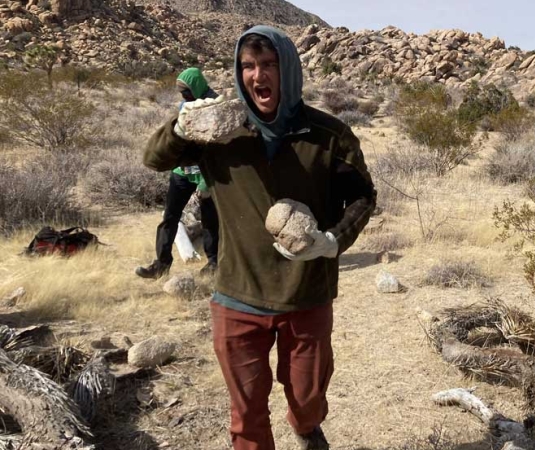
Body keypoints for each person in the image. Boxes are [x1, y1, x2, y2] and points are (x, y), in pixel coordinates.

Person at [143, 26, 376, 450]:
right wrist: (181, 126)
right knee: (246, 412)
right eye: (248, 66)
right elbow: (155, 159)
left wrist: (332, 240)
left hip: (306, 294)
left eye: (268, 65)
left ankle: (306, 427)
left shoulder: (328, 135)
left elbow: (363, 196)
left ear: (288, 69)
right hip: (237, 295)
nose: (257, 75)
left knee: (308, 398)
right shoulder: (220, 132)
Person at [135, 67, 221, 279]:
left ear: (197, 87)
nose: (183, 96)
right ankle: (161, 264)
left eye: (186, 91)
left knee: (211, 220)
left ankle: (213, 263)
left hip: (207, 174)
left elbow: (217, 150)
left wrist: (204, 184)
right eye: (181, 92)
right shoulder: (186, 105)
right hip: (182, 171)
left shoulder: (215, 106)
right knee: (170, 216)